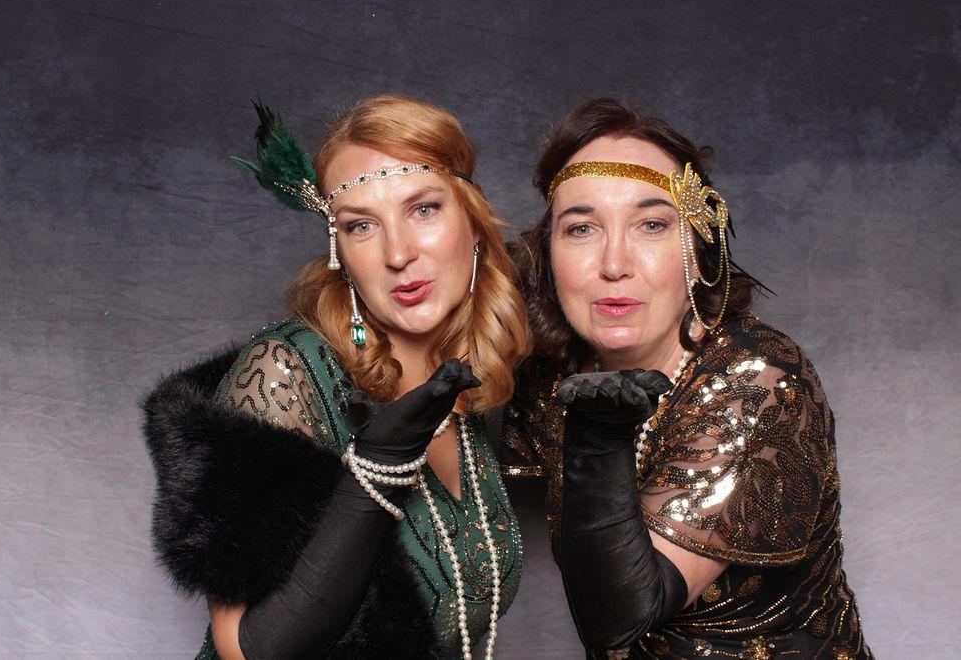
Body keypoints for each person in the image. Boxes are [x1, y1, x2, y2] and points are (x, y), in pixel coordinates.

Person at [142, 95, 531, 659]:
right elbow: (247, 652)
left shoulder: (459, 377)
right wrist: (376, 471)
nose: (398, 253)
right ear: (339, 251)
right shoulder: (282, 374)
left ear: (471, 220)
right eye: (361, 225)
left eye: (423, 209)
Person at [501, 99, 871, 659]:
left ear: (698, 250)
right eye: (581, 229)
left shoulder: (758, 380)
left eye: (652, 225)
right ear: (549, 253)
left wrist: (598, 439)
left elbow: (620, 615)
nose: (614, 264)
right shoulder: (555, 371)